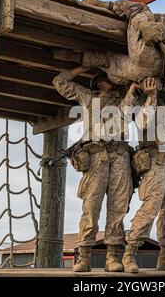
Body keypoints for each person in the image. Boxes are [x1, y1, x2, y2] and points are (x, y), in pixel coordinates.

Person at [52, 66, 134, 272]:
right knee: (91, 207)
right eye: (98, 81)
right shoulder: (88, 97)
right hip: (96, 155)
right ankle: (84, 256)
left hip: (119, 154)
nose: (101, 83)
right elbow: (60, 82)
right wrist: (81, 68)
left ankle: (112, 257)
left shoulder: (127, 98)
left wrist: (132, 88)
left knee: (118, 207)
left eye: (104, 80)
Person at [121, 77, 165, 273]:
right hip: (156, 155)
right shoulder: (141, 102)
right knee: (151, 205)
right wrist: (151, 96)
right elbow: (142, 123)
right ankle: (130, 252)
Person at [81, 0, 165, 86]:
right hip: (152, 73)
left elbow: (152, 34)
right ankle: (75, 57)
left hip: (149, 55)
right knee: (109, 61)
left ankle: (99, 4)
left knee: (141, 9)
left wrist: (160, 21)